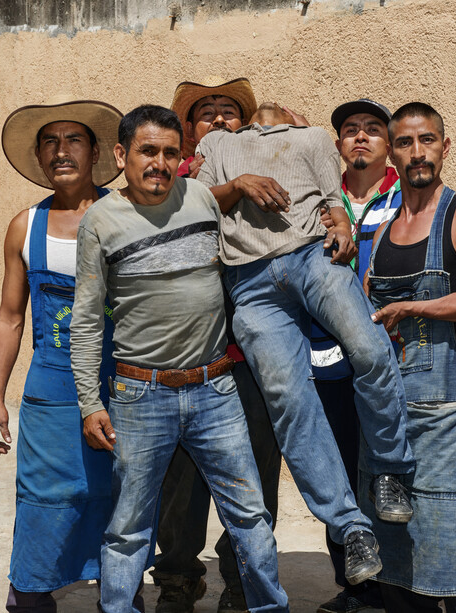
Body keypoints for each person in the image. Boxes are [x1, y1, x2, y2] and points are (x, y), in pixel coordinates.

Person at [70, 105, 289, 613]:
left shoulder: (200, 201)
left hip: (216, 390)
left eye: (171, 152)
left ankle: (268, 607)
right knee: (128, 528)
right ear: (123, 155)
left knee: (250, 516)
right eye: (147, 151)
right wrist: (88, 402)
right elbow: (85, 322)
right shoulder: (100, 222)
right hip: (139, 394)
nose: (159, 163)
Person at [195, 100, 417, 589]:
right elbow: (197, 204)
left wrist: (339, 222)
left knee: (370, 349)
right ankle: (350, 526)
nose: (272, 110)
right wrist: (239, 184)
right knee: (289, 403)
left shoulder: (314, 137)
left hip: (312, 259)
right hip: (249, 283)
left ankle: (391, 470)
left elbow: (334, 202)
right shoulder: (217, 145)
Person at [0, 98, 125, 612]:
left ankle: (122, 597)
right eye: (50, 141)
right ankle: (32, 594)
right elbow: (10, 317)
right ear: (41, 157)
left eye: (74, 140)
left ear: (95, 153)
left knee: (119, 502)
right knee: (44, 501)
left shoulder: (125, 214)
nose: (61, 151)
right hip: (50, 392)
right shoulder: (26, 226)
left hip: (123, 388)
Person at [362, 102, 456, 613]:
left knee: (455, 539)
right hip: (387, 414)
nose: (417, 152)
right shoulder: (381, 233)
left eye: (427, 140)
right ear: (392, 154)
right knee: (396, 552)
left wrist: (413, 305)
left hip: (446, 412)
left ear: (445, 146)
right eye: (405, 142)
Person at [154, 76, 278, 613]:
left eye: (230, 112)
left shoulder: (269, 171)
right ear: (189, 132)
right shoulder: (173, 180)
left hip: (249, 360)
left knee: (253, 472)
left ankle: (240, 576)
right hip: (184, 359)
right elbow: (179, 214)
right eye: (207, 114)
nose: (221, 120)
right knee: (178, 481)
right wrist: (237, 184)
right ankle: (179, 575)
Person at [311, 98, 401, 613]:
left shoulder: (408, 196)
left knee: (389, 471)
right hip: (328, 359)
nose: (360, 137)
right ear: (338, 143)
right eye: (350, 130)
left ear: (387, 143)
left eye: (372, 129)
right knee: (339, 468)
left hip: (393, 357)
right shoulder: (322, 201)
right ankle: (356, 588)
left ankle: (399, 586)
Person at [172, 76, 257, 180]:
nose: (219, 119)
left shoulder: (257, 159)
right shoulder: (182, 176)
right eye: (207, 113)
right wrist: (190, 183)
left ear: (244, 126)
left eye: (228, 112)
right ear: (190, 130)